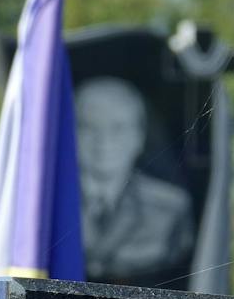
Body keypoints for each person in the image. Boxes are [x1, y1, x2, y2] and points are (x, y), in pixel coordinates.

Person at [74, 76, 193, 282]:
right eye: (89, 127)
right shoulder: (41, 209)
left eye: (118, 128)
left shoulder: (171, 208)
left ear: (139, 136)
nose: (103, 141)